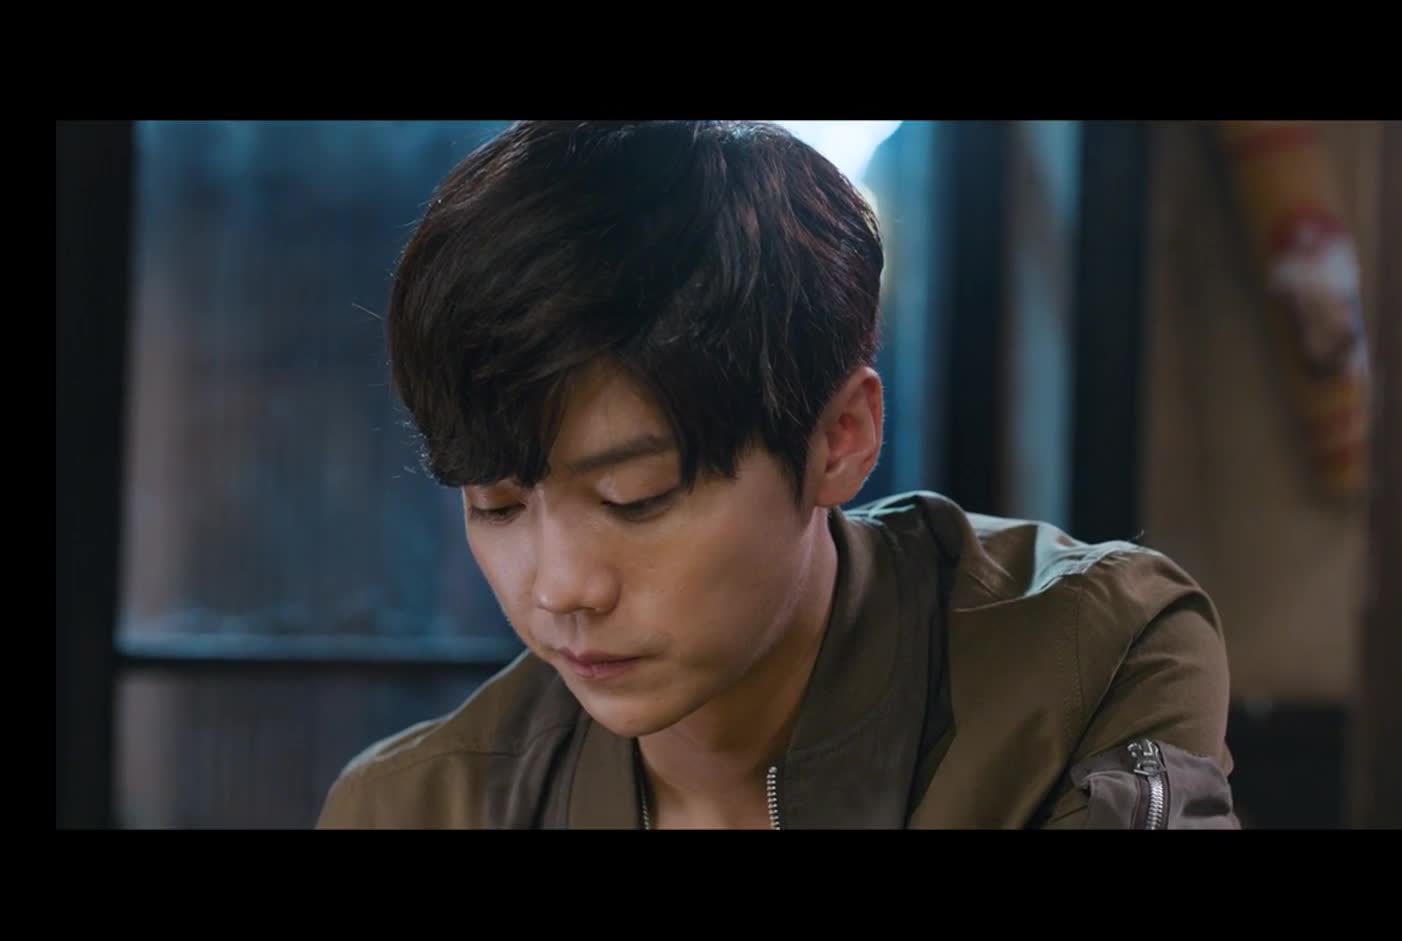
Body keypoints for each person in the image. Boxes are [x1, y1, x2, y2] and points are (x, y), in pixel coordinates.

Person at [316, 121, 1237, 829]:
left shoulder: (1089, 657)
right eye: (498, 504)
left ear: (840, 439)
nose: (560, 589)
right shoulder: (417, 806)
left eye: (636, 498)